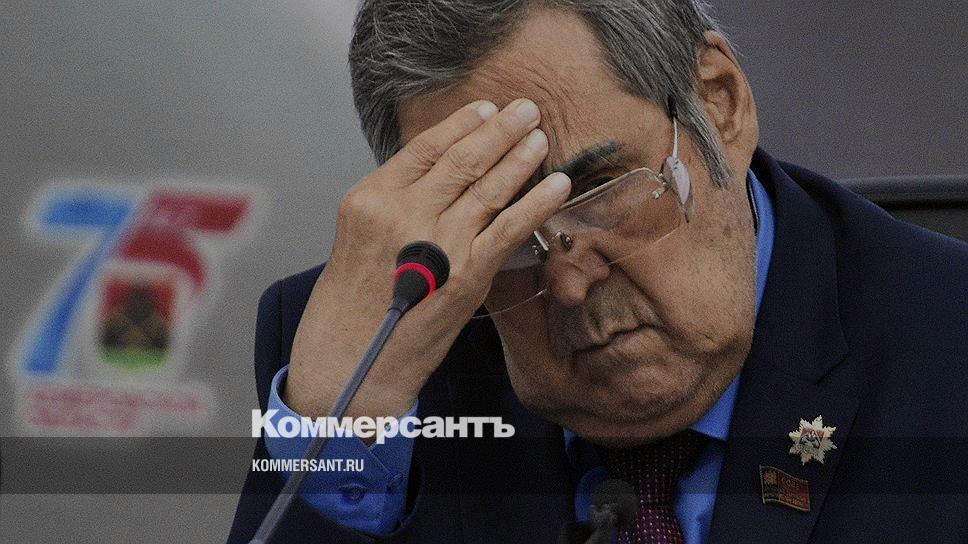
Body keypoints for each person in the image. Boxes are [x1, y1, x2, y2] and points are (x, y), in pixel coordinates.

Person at [229, 1, 968, 543]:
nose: (570, 282)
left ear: (720, 104)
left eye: (601, 190)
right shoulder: (373, 342)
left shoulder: (949, 340)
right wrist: (339, 422)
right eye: (501, 226)